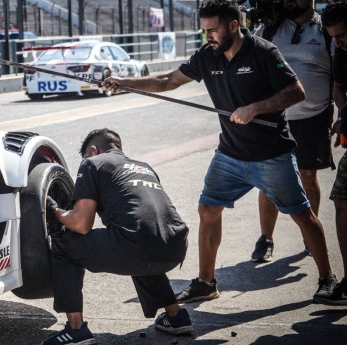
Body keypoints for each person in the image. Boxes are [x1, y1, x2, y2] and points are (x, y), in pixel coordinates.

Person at [100, 0, 336, 304]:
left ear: (233, 26)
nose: (207, 35)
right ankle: (206, 282)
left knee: (303, 215)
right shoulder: (206, 56)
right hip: (230, 154)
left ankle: (327, 280)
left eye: (212, 30)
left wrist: (255, 108)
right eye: (204, 30)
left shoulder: (263, 51)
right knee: (208, 210)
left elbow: (296, 91)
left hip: (271, 154)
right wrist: (124, 82)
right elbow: (167, 80)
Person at [42, 128, 193, 345]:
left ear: (93, 150)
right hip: (175, 245)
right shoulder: (144, 167)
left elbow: (81, 224)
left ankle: (75, 330)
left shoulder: (93, 163)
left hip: (137, 246)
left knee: (63, 243)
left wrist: (54, 210)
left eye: (85, 156)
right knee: (141, 238)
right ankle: (176, 317)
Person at [251, 0, 335, 263]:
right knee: (268, 180)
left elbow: (340, 71)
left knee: (308, 177)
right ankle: (266, 239)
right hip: (274, 117)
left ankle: (310, 236)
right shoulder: (271, 27)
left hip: (314, 117)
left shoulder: (325, 29)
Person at [313, 0, 347, 305]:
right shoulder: (340, 51)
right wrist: (343, 113)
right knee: (341, 200)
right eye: (334, 37)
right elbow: (338, 86)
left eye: (343, 35)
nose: (339, 42)